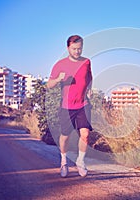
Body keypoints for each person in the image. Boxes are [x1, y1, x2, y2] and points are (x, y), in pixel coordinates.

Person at [47, 35, 92, 178]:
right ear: (68, 48)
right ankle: (64, 161)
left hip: (83, 104)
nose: (77, 52)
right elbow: (49, 85)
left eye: (79, 49)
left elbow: (89, 77)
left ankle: (80, 161)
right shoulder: (60, 64)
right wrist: (59, 79)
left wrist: (90, 88)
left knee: (85, 135)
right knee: (65, 136)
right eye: (74, 49)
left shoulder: (86, 62)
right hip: (66, 107)